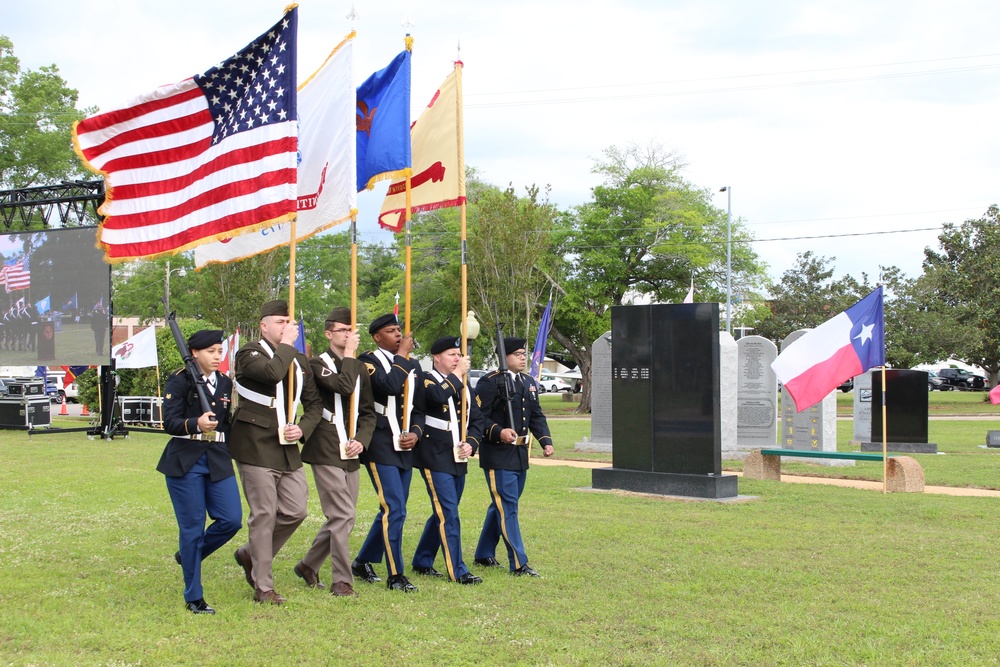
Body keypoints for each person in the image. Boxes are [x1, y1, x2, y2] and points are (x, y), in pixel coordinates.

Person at [228, 300, 323, 605]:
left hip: (286, 443)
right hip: (255, 441)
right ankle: (263, 585)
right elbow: (270, 373)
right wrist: (287, 345)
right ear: (264, 326)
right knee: (264, 514)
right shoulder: (249, 353)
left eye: (288, 322)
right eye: (279, 322)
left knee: (296, 510)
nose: (286, 327)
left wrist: (303, 429)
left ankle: (249, 554)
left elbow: (314, 405)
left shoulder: (297, 359)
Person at [157, 329, 242, 614]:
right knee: (192, 528)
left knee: (231, 519)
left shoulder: (225, 383)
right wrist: (195, 423)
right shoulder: (180, 379)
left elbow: (226, 423)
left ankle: (189, 556)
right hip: (186, 459)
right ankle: (194, 595)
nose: (217, 356)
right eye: (211, 351)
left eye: (220, 351)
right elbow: (169, 422)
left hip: (217, 458)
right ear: (195, 353)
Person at [295, 307, 376, 597]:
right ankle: (342, 580)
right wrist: (352, 355)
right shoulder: (318, 364)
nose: (348, 334)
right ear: (329, 333)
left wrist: (362, 440)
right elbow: (342, 387)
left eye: (351, 330)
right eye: (342, 330)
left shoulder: (359, 368)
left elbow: (368, 413)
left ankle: (308, 564)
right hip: (326, 444)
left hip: (351, 446)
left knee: (345, 517)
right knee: (341, 515)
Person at [352, 314, 424, 592]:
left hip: (405, 443)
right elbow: (389, 386)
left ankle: (363, 560)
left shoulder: (413, 365)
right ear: (377, 337)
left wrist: (416, 433)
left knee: (394, 508)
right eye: (391, 331)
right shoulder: (367, 361)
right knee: (395, 508)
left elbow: (419, 407)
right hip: (380, 442)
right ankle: (396, 574)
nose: (398, 335)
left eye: (399, 330)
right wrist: (403, 355)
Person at [472, 337, 554, 577]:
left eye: (523, 353)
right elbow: (478, 418)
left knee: (501, 506)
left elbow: (536, 415)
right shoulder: (490, 383)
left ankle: (484, 553)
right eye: (517, 353)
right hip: (498, 454)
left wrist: (545, 441)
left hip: (519, 455)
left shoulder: (528, 382)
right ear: (503, 356)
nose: (522, 357)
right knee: (508, 508)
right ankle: (519, 563)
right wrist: (498, 431)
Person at [411, 336, 483, 585]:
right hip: (435, 455)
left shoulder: (463, 383)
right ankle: (458, 570)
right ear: (437, 357)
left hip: (458, 457)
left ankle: (422, 559)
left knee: (443, 511)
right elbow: (435, 398)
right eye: (452, 354)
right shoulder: (426, 378)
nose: (457, 359)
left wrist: (472, 443)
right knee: (449, 513)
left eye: (459, 354)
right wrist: (457, 376)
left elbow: (477, 419)